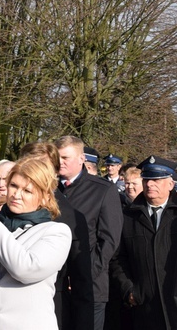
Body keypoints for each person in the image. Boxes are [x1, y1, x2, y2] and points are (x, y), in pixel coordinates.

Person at [0, 156, 72, 330]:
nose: (16, 195)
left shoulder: (56, 232)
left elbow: (25, 269)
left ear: (45, 197)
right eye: (13, 186)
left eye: (27, 191)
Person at [19, 141, 92, 330]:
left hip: (52, 309)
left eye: (40, 167)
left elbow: (82, 283)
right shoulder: (5, 210)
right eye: (27, 166)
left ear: (53, 172)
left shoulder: (70, 217)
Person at [55, 135, 123, 330]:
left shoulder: (102, 190)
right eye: (57, 158)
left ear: (81, 159)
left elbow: (109, 240)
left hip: (90, 287)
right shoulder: (50, 190)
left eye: (65, 158)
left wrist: (82, 275)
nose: (60, 163)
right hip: (56, 287)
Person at [110, 156, 177, 330]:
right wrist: (129, 290)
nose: (150, 185)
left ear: (170, 184)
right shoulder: (128, 216)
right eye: (147, 180)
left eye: (156, 180)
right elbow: (117, 258)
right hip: (145, 308)